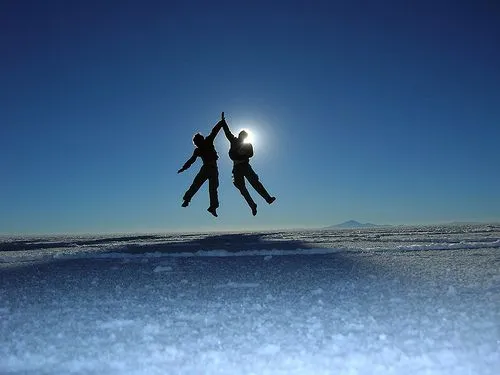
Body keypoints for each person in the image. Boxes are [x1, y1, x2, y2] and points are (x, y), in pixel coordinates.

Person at [221, 117, 276, 216]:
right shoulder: (233, 140)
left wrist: (241, 155)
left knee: (255, 183)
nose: (242, 138)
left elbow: (251, 154)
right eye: (242, 136)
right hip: (237, 168)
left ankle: (268, 198)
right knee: (242, 188)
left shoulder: (248, 145)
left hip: (245, 166)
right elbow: (227, 132)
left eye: (244, 136)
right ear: (239, 135)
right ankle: (252, 205)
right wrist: (223, 122)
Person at [177, 113, 225, 217]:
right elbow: (191, 160)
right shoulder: (199, 149)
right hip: (208, 168)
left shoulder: (206, 142)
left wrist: (221, 123)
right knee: (200, 186)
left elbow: (214, 131)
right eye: (197, 143)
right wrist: (183, 168)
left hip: (211, 169)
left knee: (210, 188)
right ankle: (188, 200)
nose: (198, 144)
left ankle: (212, 207)